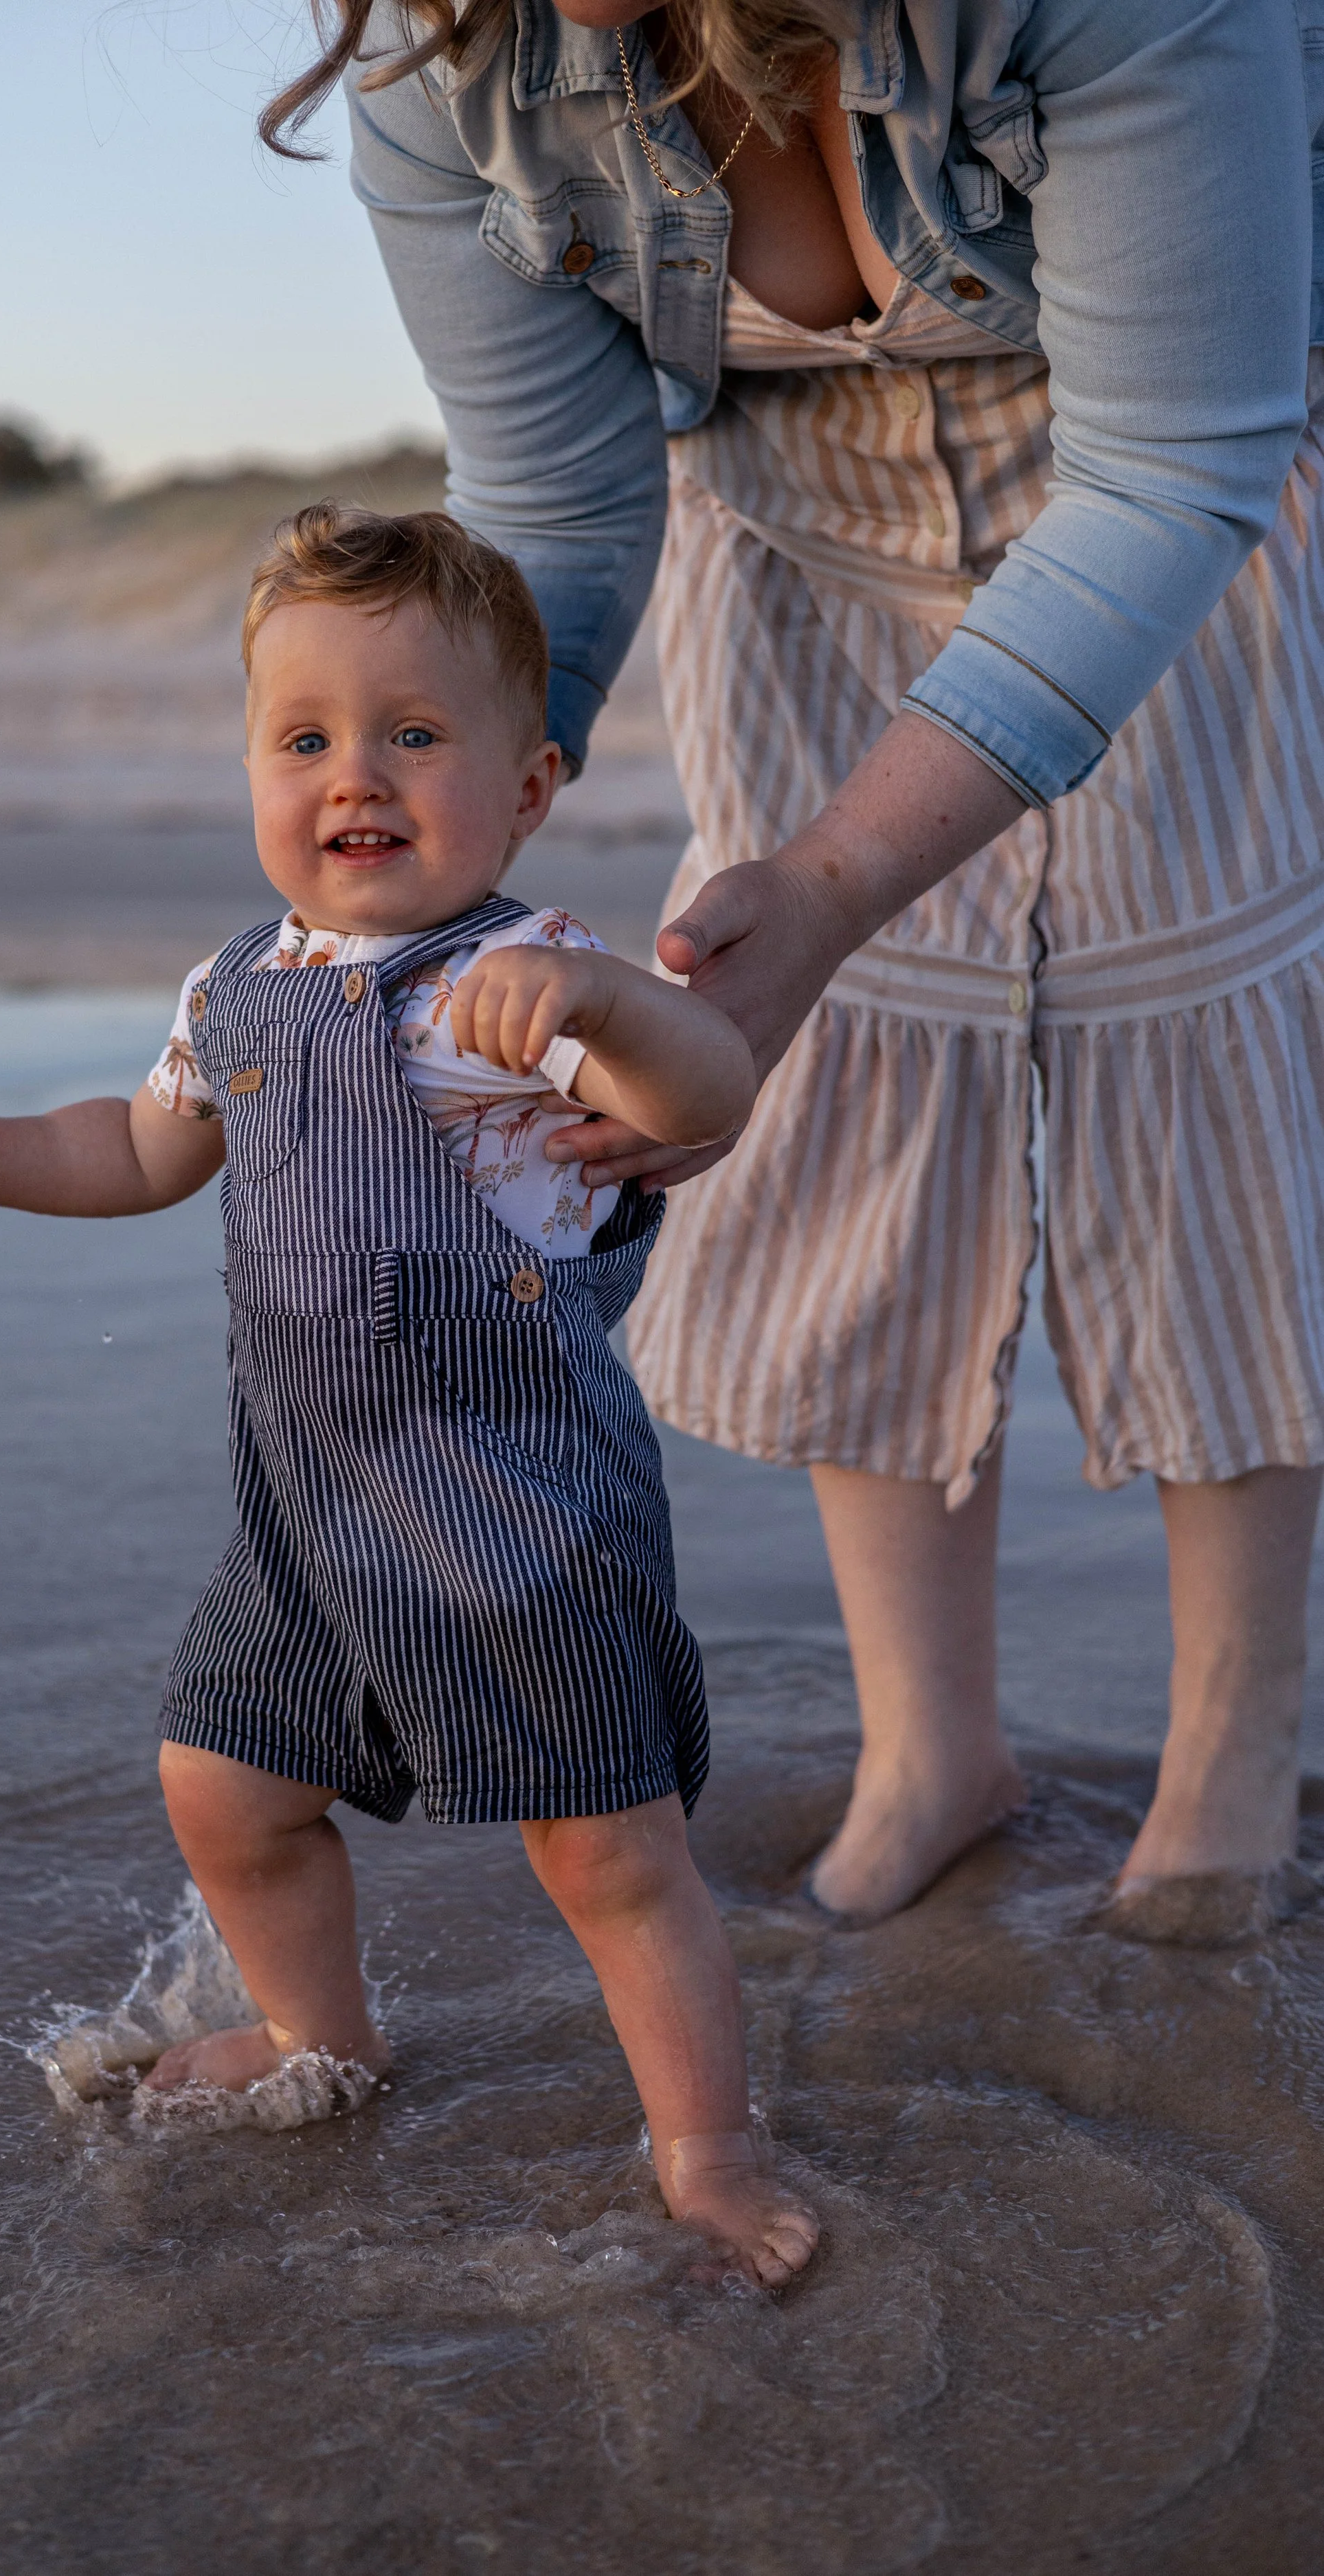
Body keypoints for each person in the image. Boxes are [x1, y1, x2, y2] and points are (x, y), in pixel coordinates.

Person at [298, 0, 1324, 1936]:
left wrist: (844, 871)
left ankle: (1226, 1762)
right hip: (786, 537)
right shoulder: (443, 63)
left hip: (1188, 506)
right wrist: (431, 864)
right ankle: (931, 1746)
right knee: (848, 1113)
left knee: (1212, 1104)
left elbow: (1175, 455)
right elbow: (554, 508)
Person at [0, 507, 819, 2290]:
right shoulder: (235, 990)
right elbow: (134, 1149)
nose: (354, 772)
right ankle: (319, 2032)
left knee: (603, 1848)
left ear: (525, 786)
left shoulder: (501, 987)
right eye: (304, 738)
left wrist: (602, 996)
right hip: (308, 1513)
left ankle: (709, 2142)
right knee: (223, 1784)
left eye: (411, 735)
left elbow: (701, 1086)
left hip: (521, 1521)